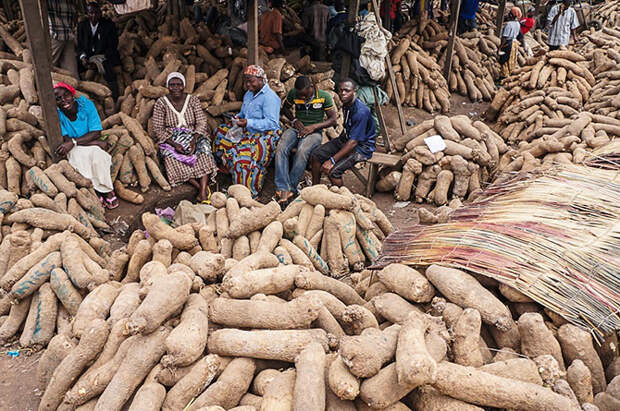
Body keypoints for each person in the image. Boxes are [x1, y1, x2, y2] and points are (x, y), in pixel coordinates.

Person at [213, 65, 281, 197]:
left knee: (245, 158)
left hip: (266, 134)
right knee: (219, 132)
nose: (248, 84)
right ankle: (229, 168)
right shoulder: (249, 94)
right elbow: (244, 112)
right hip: (247, 129)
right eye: (246, 81)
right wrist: (238, 118)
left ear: (261, 80)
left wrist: (248, 122)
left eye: (252, 81)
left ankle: (247, 192)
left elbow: (272, 123)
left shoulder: (270, 97)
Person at [151, 73, 217, 203]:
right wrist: (174, 144)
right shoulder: (161, 103)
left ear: (183, 86)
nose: (176, 88)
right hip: (171, 138)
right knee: (170, 158)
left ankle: (202, 192)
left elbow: (202, 122)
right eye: (172, 85)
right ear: (167, 86)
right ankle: (201, 189)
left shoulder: (192, 100)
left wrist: (194, 140)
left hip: (194, 134)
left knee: (204, 151)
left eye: (179, 85)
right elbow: (158, 128)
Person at [53, 82, 118, 208]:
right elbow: (67, 140)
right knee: (78, 157)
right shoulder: (57, 115)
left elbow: (96, 132)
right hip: (76, 148)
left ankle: (106, 189)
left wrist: (75, 142)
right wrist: (93, 142)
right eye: (58, 99)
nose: (63, 100)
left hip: (79, 144)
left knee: (98, 154)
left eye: (66, 95)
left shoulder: (86, 105)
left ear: (72, 94)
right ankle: (94, 190)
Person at [275, 76, 338, 205]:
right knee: (281, 147)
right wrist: (294, 120)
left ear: (311, 87)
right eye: (300, 96)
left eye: (305, 95)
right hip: (297, 129)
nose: (303, 99)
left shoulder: (324, 96)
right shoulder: (294, 93)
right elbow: (285, 109)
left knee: (302, 150)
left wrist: (313, 127)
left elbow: (333, 119)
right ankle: (282, 188)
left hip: (315, 132)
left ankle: (291, 189)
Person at [311, 78, 376, 187]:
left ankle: (343, 199)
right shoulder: (347, 104)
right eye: (341, 90)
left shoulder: (360, 112)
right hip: (347, 140)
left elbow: (353, 143)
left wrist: (332, 160)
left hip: (362, 147)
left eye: (347, 90)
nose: (343, 93)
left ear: (354, 92)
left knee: (334, 172)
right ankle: (314, 189)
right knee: (315, 155)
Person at [77, 2, 121, 99]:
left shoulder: (109, 25)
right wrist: (83, 58)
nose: (94, 16)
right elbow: (80, 46)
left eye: (96, 13)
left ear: (100, 13)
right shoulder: (82, 26)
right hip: (88, 56)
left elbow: (113, 47)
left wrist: (98, 61)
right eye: (91, 13)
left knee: (109, 70)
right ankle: (84, 95)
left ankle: (114, 96)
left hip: (104, 56)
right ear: (87, 14)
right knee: (77, 70)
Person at [47, 0, 78, 78]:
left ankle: (71, 89)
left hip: (68, 37)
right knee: (48, 69)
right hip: (55, 36)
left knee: (72, 74)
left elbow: (74, 15)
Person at [499, 7, 522, 79]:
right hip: (514, 43)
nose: (508, 15)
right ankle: (510, 73)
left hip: (508, 43)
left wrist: (500, 47)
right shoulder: (518, 23)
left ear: (512, 15)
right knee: (511, 59)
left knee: (505, 60)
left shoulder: (509, 24)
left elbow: (505, 37)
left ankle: (504, 76)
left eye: (510, 13)